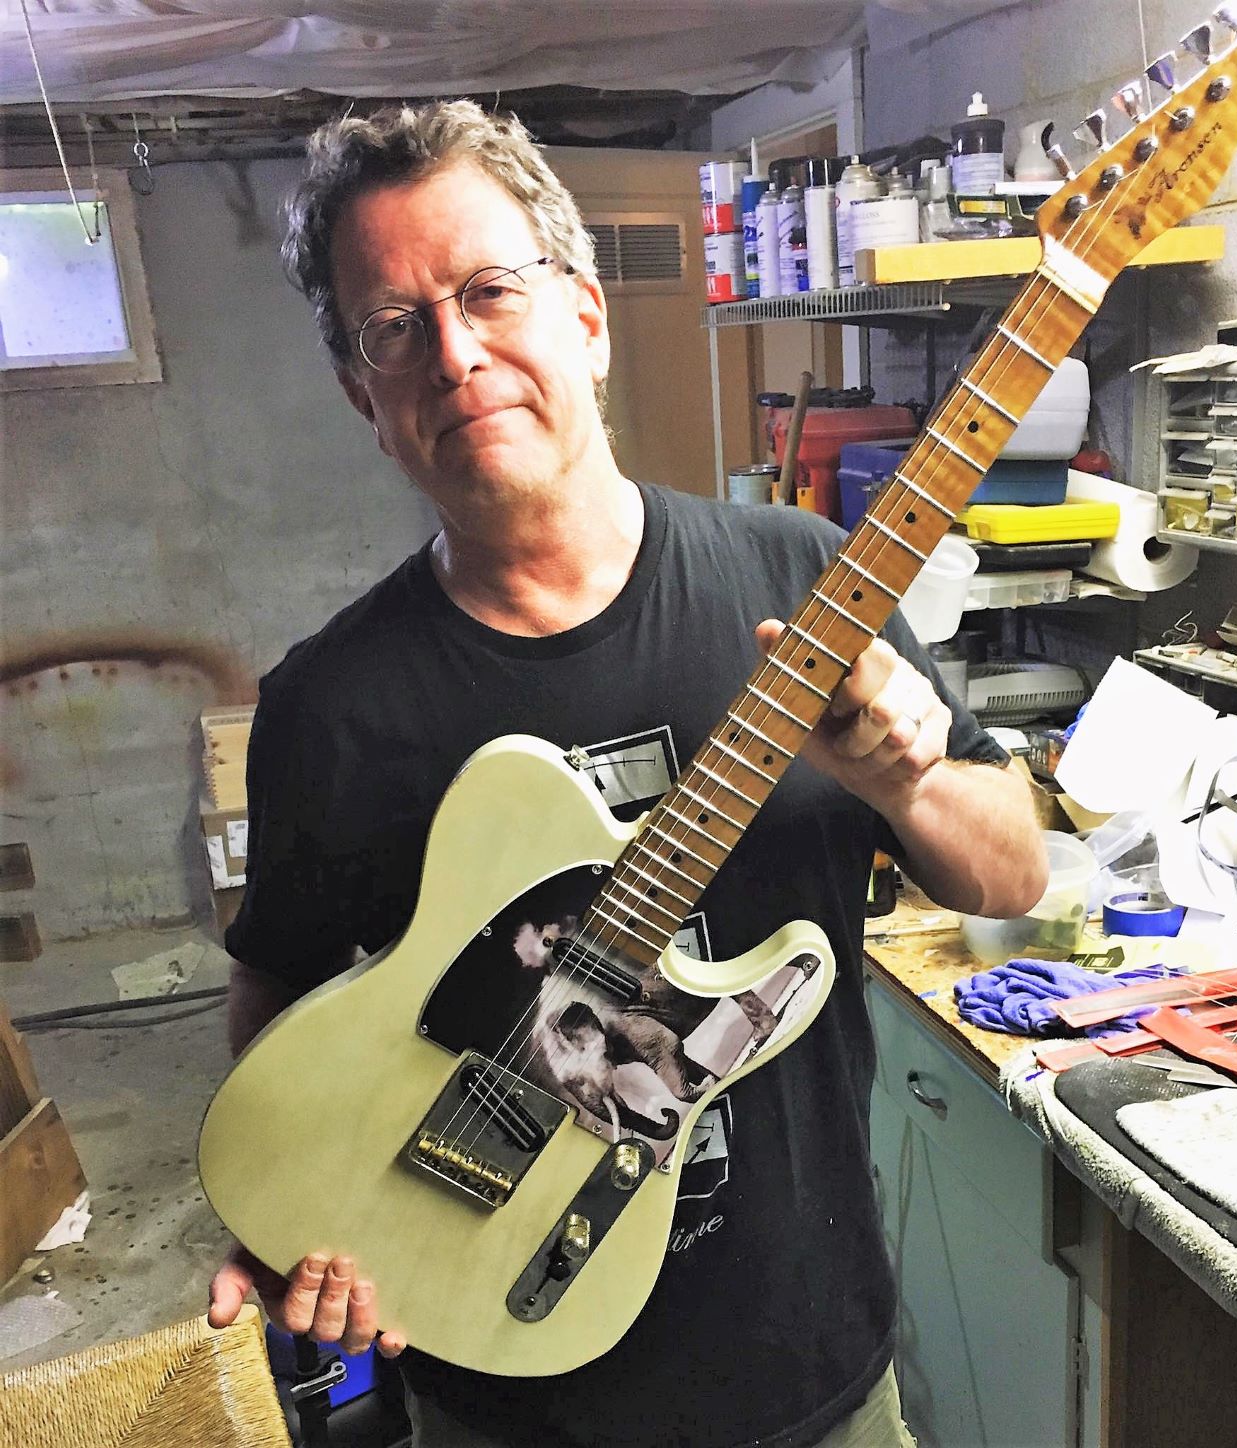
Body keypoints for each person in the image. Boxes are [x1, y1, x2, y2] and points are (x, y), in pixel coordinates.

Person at [206, 100, 1047, 1448]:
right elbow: (282, 990)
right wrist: (298, 1216)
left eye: (489, 291)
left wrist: (910, 780)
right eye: (395, 328)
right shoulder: (329, 706)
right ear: (364, 396)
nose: (457, 355)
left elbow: (1015, 870)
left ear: (587, 316)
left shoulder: (801, 578)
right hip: (500, 1390)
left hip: (814, 1375)